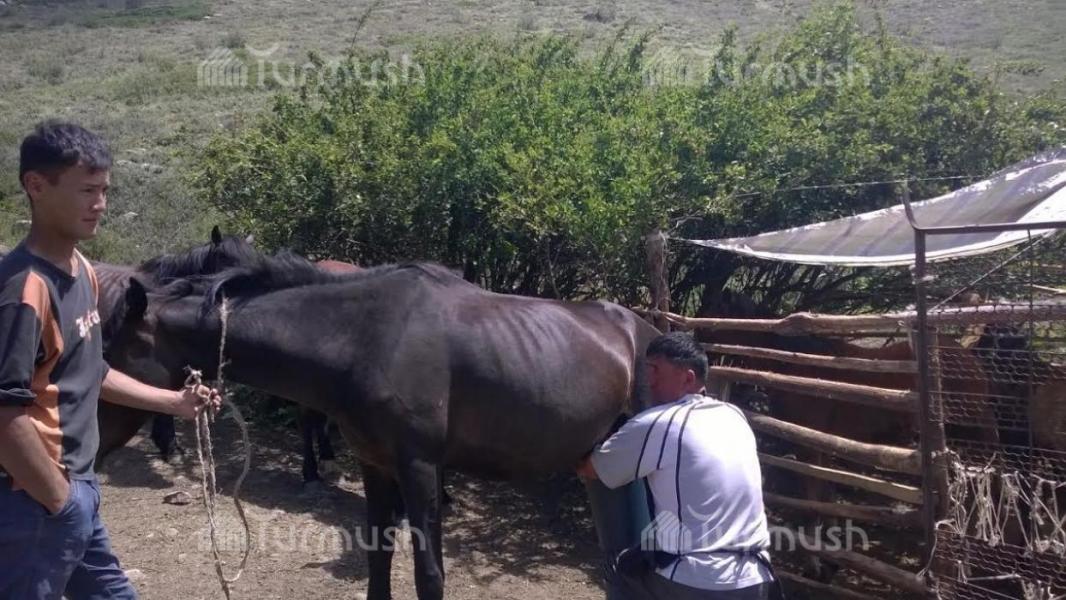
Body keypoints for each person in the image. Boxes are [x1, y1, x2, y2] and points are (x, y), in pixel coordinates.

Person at [0, 122, 221, 599]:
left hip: (76, 488)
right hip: (33, 501)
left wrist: (174, 403)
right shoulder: (22, 292)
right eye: (86, 190)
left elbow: (89, 370)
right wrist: (59, 500)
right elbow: (3, 414)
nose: (100, 203)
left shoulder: (80, 270)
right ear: (35, 186)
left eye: (104, 190)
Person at [576, 332, 782, 599]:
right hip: (757, 578)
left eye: (656, 371)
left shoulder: (657, 423)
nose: (649, 382)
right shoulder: (734, 416)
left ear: (688, 378)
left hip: (699, 581)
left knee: (618, 569)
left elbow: (593, 469)